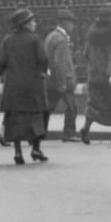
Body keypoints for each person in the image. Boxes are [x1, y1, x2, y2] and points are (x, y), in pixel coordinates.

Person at [0, 7, 50, 164]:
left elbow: (1, 63)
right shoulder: (35, 39)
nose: (35, 23)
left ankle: (18, 152)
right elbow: (43, 58)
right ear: (25, 24)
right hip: (33, 85)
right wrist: (42, 72)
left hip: (13, 85)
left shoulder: (7, 41)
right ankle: (36, 148)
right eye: (32, 21)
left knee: (15, 119)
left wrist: (0, 73)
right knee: (36, 116)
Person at [80, 11, 111, 145]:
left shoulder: (91, 34)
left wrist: (93, 65)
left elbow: (85, 54)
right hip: (109, 77)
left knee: (93, 104)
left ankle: (85, 128)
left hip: (94, 76)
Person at [44, 9, 81, 143]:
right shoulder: (61, 39)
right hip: (63, 80)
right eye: (71, 22)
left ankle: (38, 132)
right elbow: (59, 62)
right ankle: (69, 134)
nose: (72, 25)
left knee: (48, 107)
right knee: (72, 107)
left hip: (51, 79)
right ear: (64, 22)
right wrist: (62, 83)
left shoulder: (51, 36)